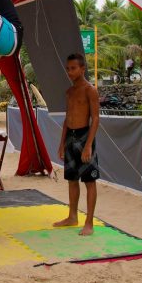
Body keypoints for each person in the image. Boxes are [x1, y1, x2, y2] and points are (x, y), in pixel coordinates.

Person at [53, 53, 100, 236]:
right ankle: (72, 216)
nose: (70, 72)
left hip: (84, 136)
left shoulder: (90, 90)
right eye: (68, 68)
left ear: (82, 69)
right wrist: (61, 143)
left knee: (89, 180)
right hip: (70, 137)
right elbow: (67, 119)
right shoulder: (69, 92)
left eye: (73, 68)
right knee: (72, 179)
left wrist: (88, 145)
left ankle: (89, 223)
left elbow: (95, 119)